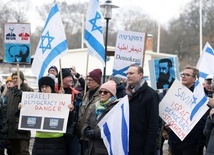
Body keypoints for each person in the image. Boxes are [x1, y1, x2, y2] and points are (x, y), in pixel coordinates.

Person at [168, 66, 207, 155]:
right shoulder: (176, 92)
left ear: (194, 79)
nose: (183, 76)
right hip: (175, 140)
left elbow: (202, 121)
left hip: (191, 143)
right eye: (183, 74)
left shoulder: (200, 97)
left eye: (187, 75)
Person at [126, 64, 159, 154]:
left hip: (142, 147)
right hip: (127, 144)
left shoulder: (150, 95)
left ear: (140, 75)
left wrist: (148, 149)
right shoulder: (127, 94)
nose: (128, 76)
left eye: (131, 73)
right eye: (127, 73)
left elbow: (153, 124)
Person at [31, 76, 67, 155]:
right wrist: (22, 108)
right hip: (39, 140)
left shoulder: (60, 100)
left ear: (51, 87)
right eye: (42, 87)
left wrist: (70, 109)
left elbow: (68, 120)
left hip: (55, 140)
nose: (44, 89)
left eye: (46, 86)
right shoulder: (35, 101)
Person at [82, 80, 119, 155]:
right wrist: (86, 129)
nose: (102, 94)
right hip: (91, 148)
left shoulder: (116, 108)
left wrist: (97, 133)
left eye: (105, 92)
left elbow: (114, 129)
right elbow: (87, 121)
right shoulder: (95, 106)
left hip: (104, 149)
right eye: (100, 91)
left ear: (111, 94)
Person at [3, 71, 34, 155]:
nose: (14, 80)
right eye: (13, 78)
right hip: (11, 128)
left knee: (23, 152)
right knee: (14, 152)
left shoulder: (28, 90)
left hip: (22, 129)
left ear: (22, 79)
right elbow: (6, 108)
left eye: (17, 78)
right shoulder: (10, 92)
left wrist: (23, 95)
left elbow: (33, 105)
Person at [57, 68, 82, 155]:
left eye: (71, 77)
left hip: (72, 131)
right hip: (57, 131)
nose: (71, 79)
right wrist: (58, 97)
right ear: (61, 78)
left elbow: (88, 87)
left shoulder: (75, 93)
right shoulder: (53, 91)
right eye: (68, 77)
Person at [78, 68, 102, 155]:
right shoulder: (86, 94)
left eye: (91, 80)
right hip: (81, 134)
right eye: (87, 79)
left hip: (91, 135)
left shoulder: (101, 95)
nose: (88, 82)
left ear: (97, 81)